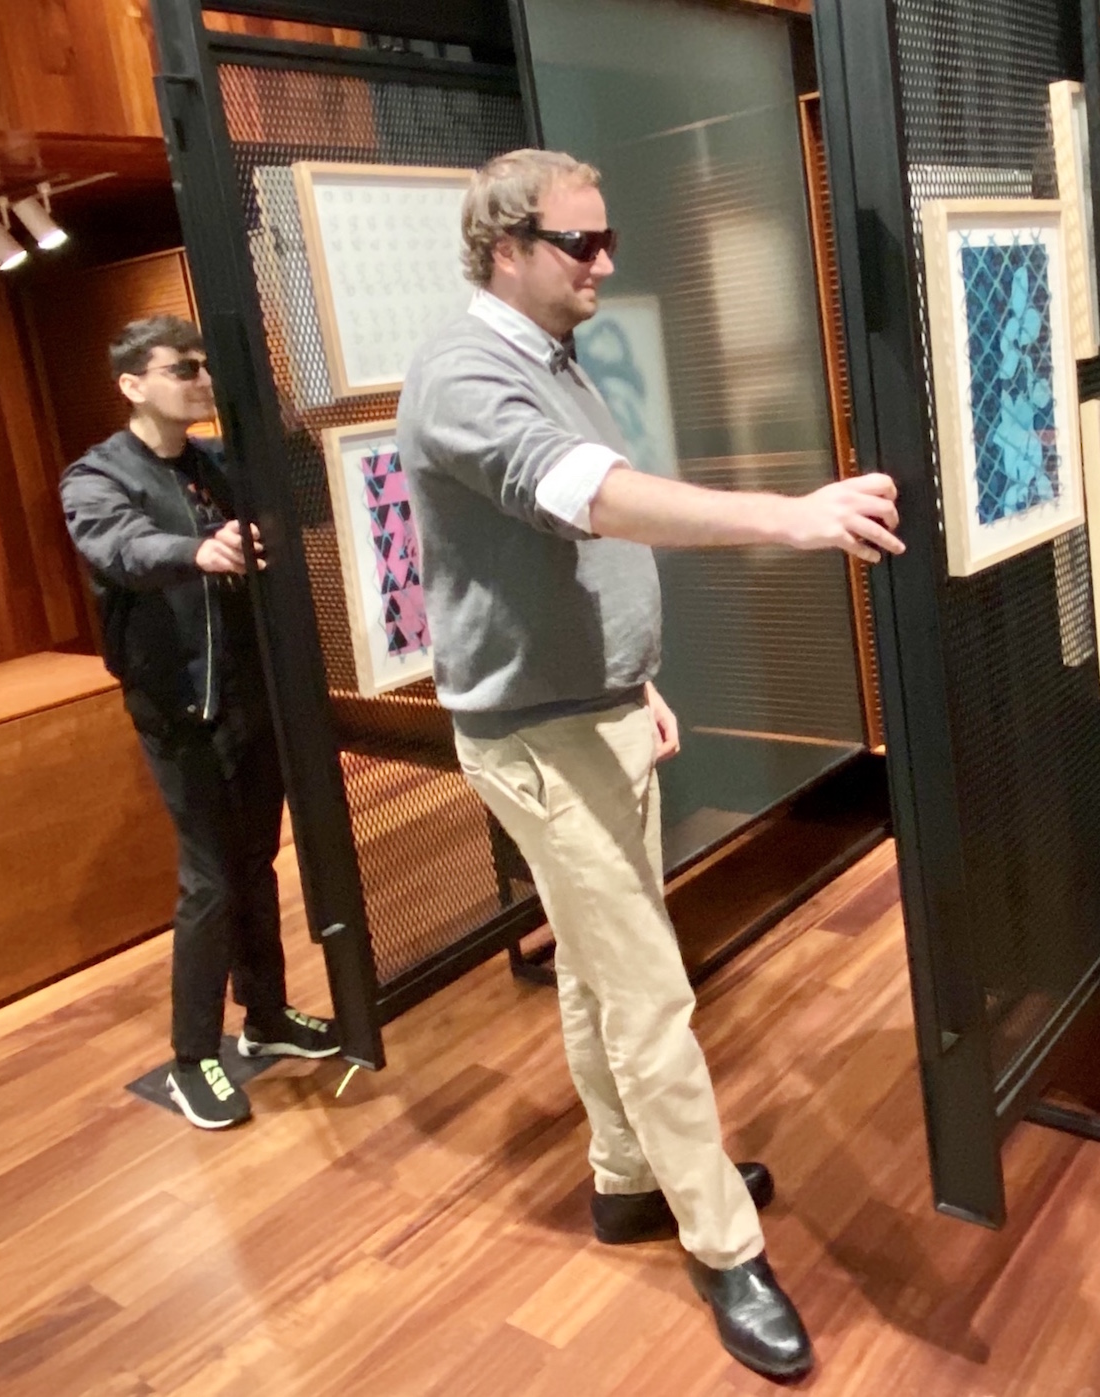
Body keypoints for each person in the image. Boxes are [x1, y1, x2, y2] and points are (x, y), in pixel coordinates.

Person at [398, 150, 904, 1382]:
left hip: (600, 708)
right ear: (505, 246)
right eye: (582, 243)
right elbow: (592, 497)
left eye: (605, 237)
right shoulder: (465, 374)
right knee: (648, 990)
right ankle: (724, 1243)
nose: (604, 263)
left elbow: (574, 550)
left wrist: (638, 677)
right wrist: (790, 517)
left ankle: (626, 1179)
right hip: (536, 734)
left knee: (598, 968)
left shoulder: (547, 357)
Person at [60, 315, 342, 1131]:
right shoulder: (97, 474)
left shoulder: (220, 462)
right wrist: (195, 552)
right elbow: (116, 545)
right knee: (212, 878)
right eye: (181, 368)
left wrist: (277, 408)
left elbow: (313, 499)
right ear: (132, 384)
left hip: (252, 696)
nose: (199, 380)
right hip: (179, 705)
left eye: (205, 367)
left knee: (256, 863)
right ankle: (192, 1057)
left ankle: (268, 1014)